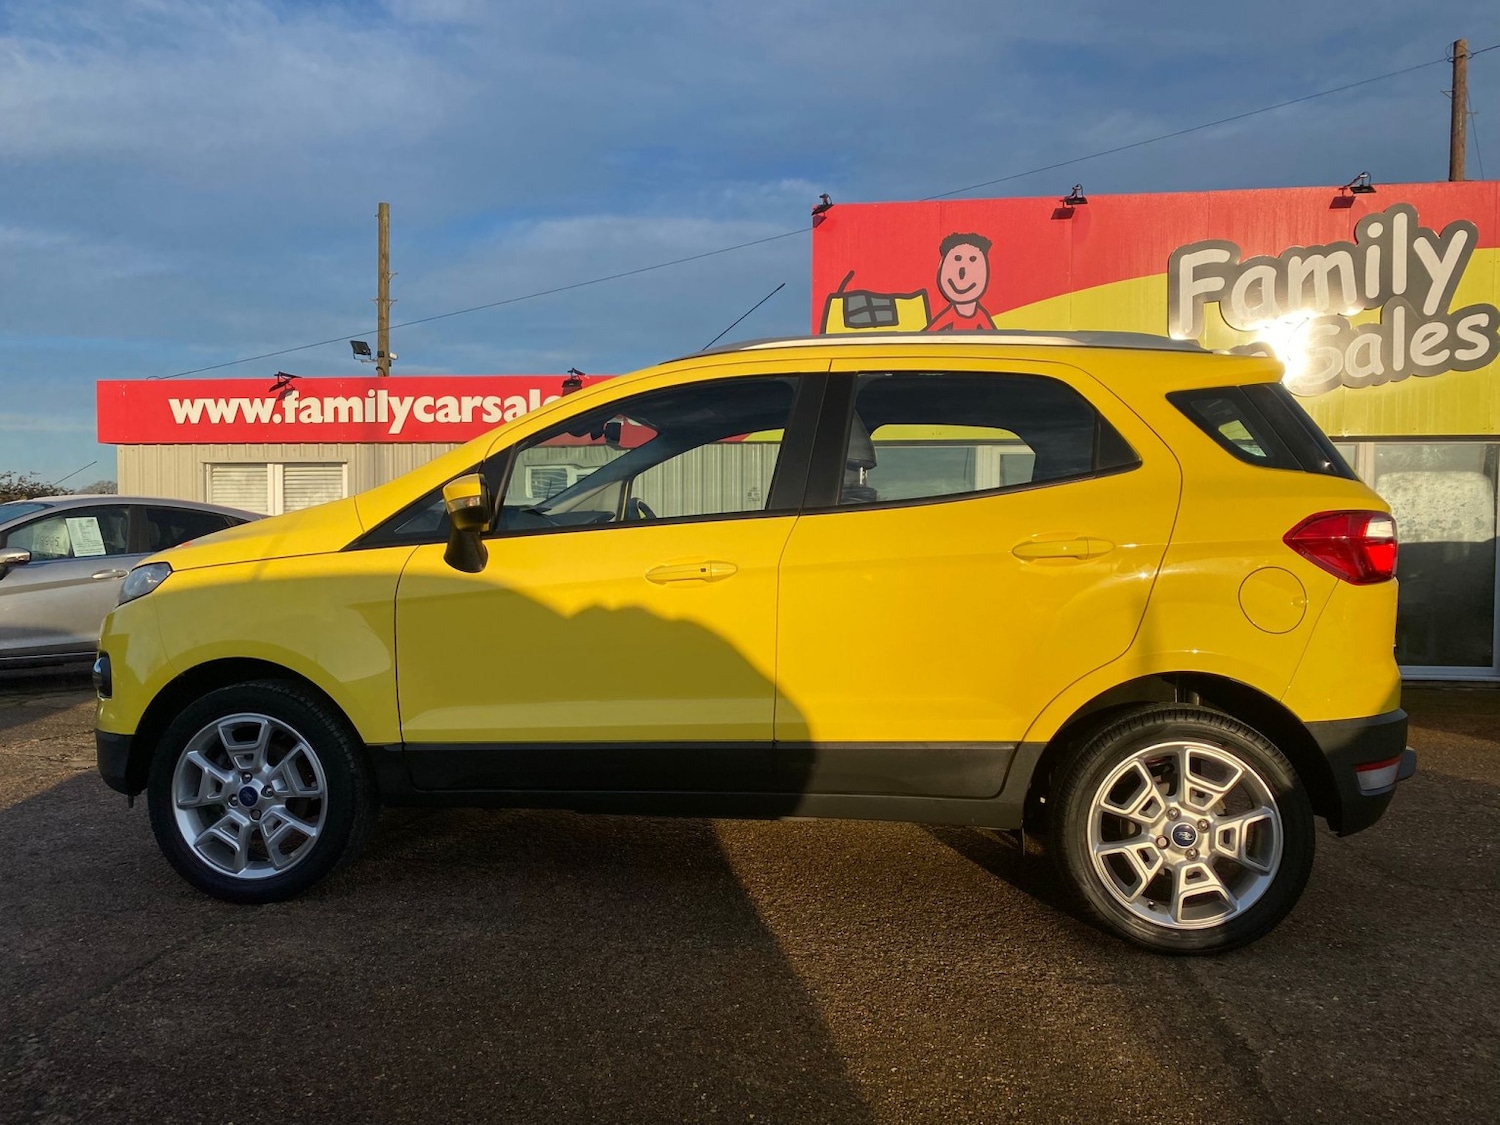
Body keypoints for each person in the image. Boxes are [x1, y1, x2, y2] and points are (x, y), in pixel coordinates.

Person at [926, 233, 996, 331]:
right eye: (957, 259)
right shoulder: (948, 317)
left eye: (972, 260)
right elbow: (928, 336)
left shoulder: (981, 316)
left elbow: (994, 337)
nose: (962, 273)